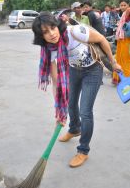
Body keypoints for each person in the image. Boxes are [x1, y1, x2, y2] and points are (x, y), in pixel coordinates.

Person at [32, 11, 121, 168]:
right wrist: (59, 110)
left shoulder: (75, 32)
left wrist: (113, 63)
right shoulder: (50, 49)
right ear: (41, 36)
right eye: (45, 32)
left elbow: (101, 39)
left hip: (93, 70)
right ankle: (74, 128)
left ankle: (83, 150)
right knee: (70, 104)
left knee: (85, 111)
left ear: (57, 26)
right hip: (73, 70)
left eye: (52, 28)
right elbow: (56, 81)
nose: (52, 34)